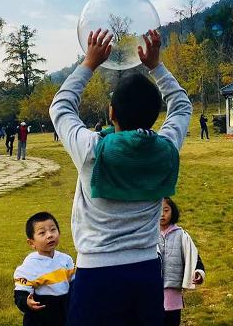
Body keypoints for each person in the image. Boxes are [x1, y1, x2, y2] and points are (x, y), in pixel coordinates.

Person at [49, 28, 191, 326]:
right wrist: (157, 66)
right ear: (154, 115)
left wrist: (89, 63)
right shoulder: (165, 149)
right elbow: (181, 106)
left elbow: (60, 107)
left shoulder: (92, 151)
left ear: (112, 111)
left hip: (96, 274)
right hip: (146, 272)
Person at [13, 212, 75, 326]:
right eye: (42, 233)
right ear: (31, 243)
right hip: (41, 319)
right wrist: (27, 302)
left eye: (53, 230)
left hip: (64, 315)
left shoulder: (66, 260)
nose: (49, 235)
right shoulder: (29, 267)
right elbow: (20, 292)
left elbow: (74, 284)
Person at [159, 198, 205, 326]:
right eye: (158, 210)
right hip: (151, 290)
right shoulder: (148, 234)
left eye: (166, 210)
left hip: (173, 291)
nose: (162, 214)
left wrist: (199, 272)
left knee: (171, 321)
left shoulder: (182, 235)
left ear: (173, 212)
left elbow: (194, 257)